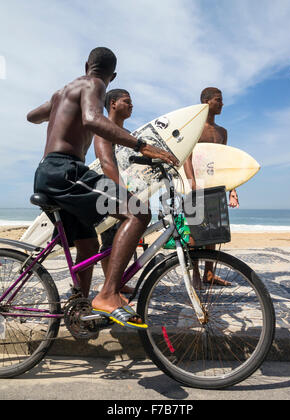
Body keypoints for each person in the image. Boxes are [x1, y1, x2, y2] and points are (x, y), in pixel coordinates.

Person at [27, 47, 179, 328]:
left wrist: (56, 108)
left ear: (87, 64)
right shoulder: (95, 84)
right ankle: (108, 294)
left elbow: (31, 117)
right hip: (65, 171)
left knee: (88, 247)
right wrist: (144, 147)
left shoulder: (63, 92)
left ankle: (80, 312)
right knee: (138, 213)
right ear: (113, 75)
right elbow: (93, 119)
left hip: (48, 171)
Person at [184, 87, 239, 288]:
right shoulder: (194, 128)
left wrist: (233, 189)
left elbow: (225, 162)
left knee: (214, 231)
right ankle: (196, 274)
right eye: (218, 100)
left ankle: (209, 273)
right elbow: (186, 157)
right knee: (195, 232)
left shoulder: (223, 132)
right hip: (196, 185)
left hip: (216, 185)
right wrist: (192, 185)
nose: (222, 103)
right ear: (206, 101)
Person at [94, 88, 134, 294]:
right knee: (110, 241)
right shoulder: (103, 129)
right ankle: (110, 287)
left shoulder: (129, 135)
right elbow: (105, 163)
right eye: (126, 101)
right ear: (113, 104)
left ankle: (117, 282)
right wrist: (122, 191)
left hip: (128, 190)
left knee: (124, 238)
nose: (131, 105)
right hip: (109, 191)